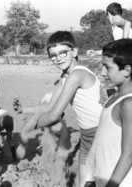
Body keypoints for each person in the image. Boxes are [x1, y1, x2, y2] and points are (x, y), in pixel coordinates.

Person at [13, 31, 106, 187]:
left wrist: (29, 127)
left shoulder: (77, 75)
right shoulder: (65, 76)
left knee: (102, 180)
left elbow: (54, 115)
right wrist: (25, 110)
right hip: (87, 134)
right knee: (86, 182)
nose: (58, 58)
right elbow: (49, 106)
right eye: (53, 55)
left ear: (75, 51)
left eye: (63, 53)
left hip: (101, 133)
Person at [85, 39, 132, 187]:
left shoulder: (129, 104)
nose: (102, 72)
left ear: (127, 70)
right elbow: (101, 143)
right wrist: (90, 178)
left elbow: (128, 155)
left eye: (107, 67)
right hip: (103, 179)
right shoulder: (115, 98)